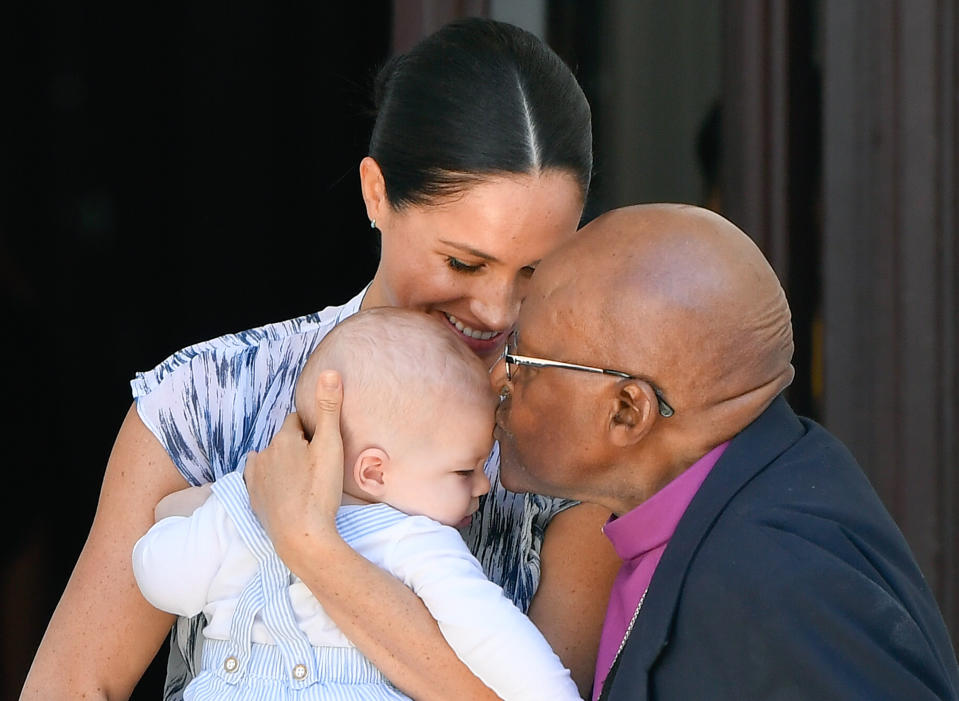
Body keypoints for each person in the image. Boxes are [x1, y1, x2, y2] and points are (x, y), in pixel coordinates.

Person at [22, 18, 619, 701]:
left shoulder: (574, 437)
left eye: (535, 271)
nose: (497, 310)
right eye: (462, 261)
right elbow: (72, 683)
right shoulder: (209, 397)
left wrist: (312, 547)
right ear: (376, 194)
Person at [487, 203, 959, 700]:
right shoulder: (752, 490)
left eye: (523, 361)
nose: (501, 378)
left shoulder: (775, 585)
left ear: (628, 411)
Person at [132, 308, 581, 700]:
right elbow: (500, 644)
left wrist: (220, 503)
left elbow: (161, 579)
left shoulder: (244, 509)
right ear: (374, 472)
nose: (484, 485)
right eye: (465, 471)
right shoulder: (418, 541)